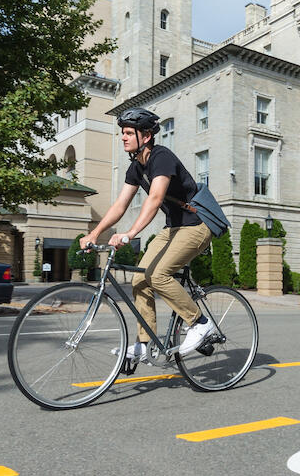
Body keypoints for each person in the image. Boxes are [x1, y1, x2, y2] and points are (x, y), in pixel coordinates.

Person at [80, 107, 214, 358]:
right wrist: (95, 233)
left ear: (146, 136)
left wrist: (129, 234)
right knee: (140, 279)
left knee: (158, 274)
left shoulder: (162, 158)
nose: (123, 137)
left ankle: (200, 323)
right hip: (173, 228)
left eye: (129, 132)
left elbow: (154, 199)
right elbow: (120, 205)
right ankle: (145, 344)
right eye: (123, 133)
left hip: (196, 226)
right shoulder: (136, 168)